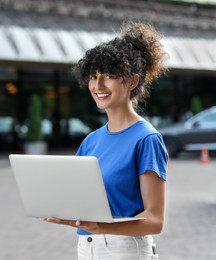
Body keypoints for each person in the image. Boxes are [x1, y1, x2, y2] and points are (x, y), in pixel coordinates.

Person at [44, 21, 169, 260]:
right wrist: (61, 209)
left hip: (125, 250)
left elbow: (154, 220)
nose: (98, 86)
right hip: (87, 247)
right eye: (93, 76)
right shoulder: (90, 142)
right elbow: (82, 202)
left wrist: (103, 227)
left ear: (132, 81)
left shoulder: (147, 139)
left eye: (110, 76)